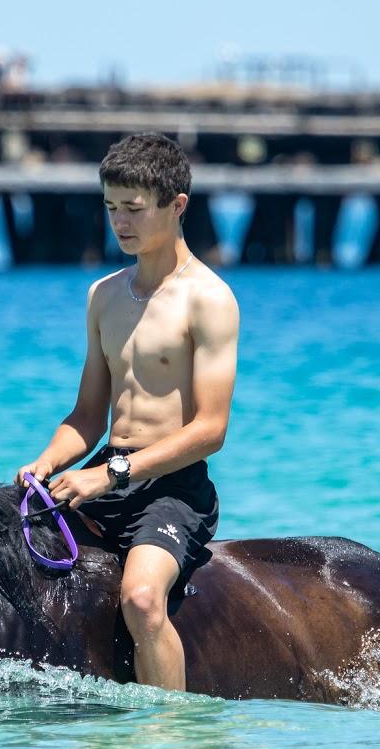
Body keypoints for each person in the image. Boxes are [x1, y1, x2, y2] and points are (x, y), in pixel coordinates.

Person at [16, 132, 239, 692]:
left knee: (141, 600)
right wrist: (45, 464)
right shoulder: (103, 295)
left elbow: (210, 430)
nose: (120, 222)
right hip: (104, 475)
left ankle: (167, 744)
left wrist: (109, 474)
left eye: (134, 209)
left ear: (177, 206)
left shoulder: (208, 300)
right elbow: (86, 416)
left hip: (172, 489)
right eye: (111, 207)